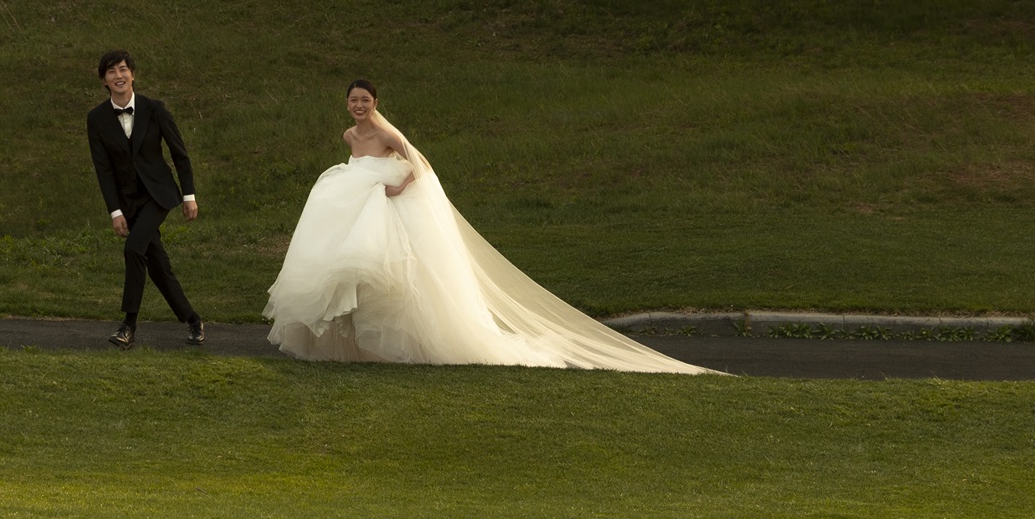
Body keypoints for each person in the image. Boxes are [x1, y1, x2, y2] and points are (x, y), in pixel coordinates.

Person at [265, 80, 715, 372]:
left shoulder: (387, 134)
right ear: (346, 105)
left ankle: (392, 343)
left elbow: (420, 163)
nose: (358, 107)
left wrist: (398, 191)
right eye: (353, 101)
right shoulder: (348, 136)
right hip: (353, 203)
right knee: (344, 268)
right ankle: (350, 341)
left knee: (380, 270)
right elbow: (356, 165)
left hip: (381, 206)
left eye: (365, 100)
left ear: (376, 103)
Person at [87, 51, 203, 349]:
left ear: (133, 75)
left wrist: (189, 195)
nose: (118, 75)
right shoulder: (97, 119)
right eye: (111, 71)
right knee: (158, 265)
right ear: (104, 80)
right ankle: (193, 320)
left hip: (158, 195)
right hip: (127, 202)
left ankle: (128, 326)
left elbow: (179, 154)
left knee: (133, 248)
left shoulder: (155, 109)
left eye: (123, 69)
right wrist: (115, 211)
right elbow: (103, 170)